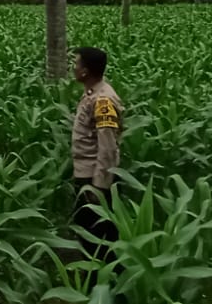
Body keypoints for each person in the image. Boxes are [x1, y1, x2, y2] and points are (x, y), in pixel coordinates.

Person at [70, 46, 122, 263]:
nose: (73, 67)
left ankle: (101, 279)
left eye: (76, 63)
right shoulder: (92, 94)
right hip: (87, 175)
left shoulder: (103, 100)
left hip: (94, 179)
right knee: (90, 234)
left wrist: (99, 186)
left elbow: (108, 147)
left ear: (85, 71)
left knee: (97, 238)